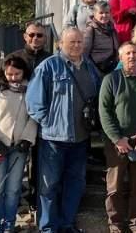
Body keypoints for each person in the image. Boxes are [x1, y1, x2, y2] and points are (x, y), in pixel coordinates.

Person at [26, 28, 102, 233]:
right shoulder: (48, 67)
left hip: (80, 139)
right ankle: (48, 227)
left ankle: (67, 224)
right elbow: (33, 103)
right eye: (72, 42)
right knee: (49, 186)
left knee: (75, 183)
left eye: (79, 42)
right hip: (53, 139)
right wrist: (49, 123)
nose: (77, 45)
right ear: (60, 44)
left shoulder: (89, 67)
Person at [99, 42, 136, 233]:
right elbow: (104, 111)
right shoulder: (111, 79)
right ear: (120, 57)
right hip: (116, 142)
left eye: (134, 53)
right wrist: (117, 138)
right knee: (114, 187)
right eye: (128, 54)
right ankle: (115, 224)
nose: (132, 56)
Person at [0, 55, 38, 233]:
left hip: (19, 147)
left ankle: (9, 223)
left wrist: (27, 138)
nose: (12, 77)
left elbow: (34, 115)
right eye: (9, 74)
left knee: (13, 190)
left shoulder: (30, 90)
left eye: (17, 74)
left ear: (23, 72)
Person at [8, 21, 51, 219]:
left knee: (38, 161)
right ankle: (11, 198)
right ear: (25, 36)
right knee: (14, 160)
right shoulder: (14, 58)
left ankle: (34, 198)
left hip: (40, 119)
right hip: (16, 117)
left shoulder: (50, 59)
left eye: (39, 35)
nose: (35, 39)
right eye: (32, 35)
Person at [84, 1, 120, 76]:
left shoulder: (112, 29)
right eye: (101, 13)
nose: (104, 15)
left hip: (111, 68)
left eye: (107, 12)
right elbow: (85, 53)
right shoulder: (90, 30)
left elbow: (116, 49)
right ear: (94, 14)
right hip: (95, 70)